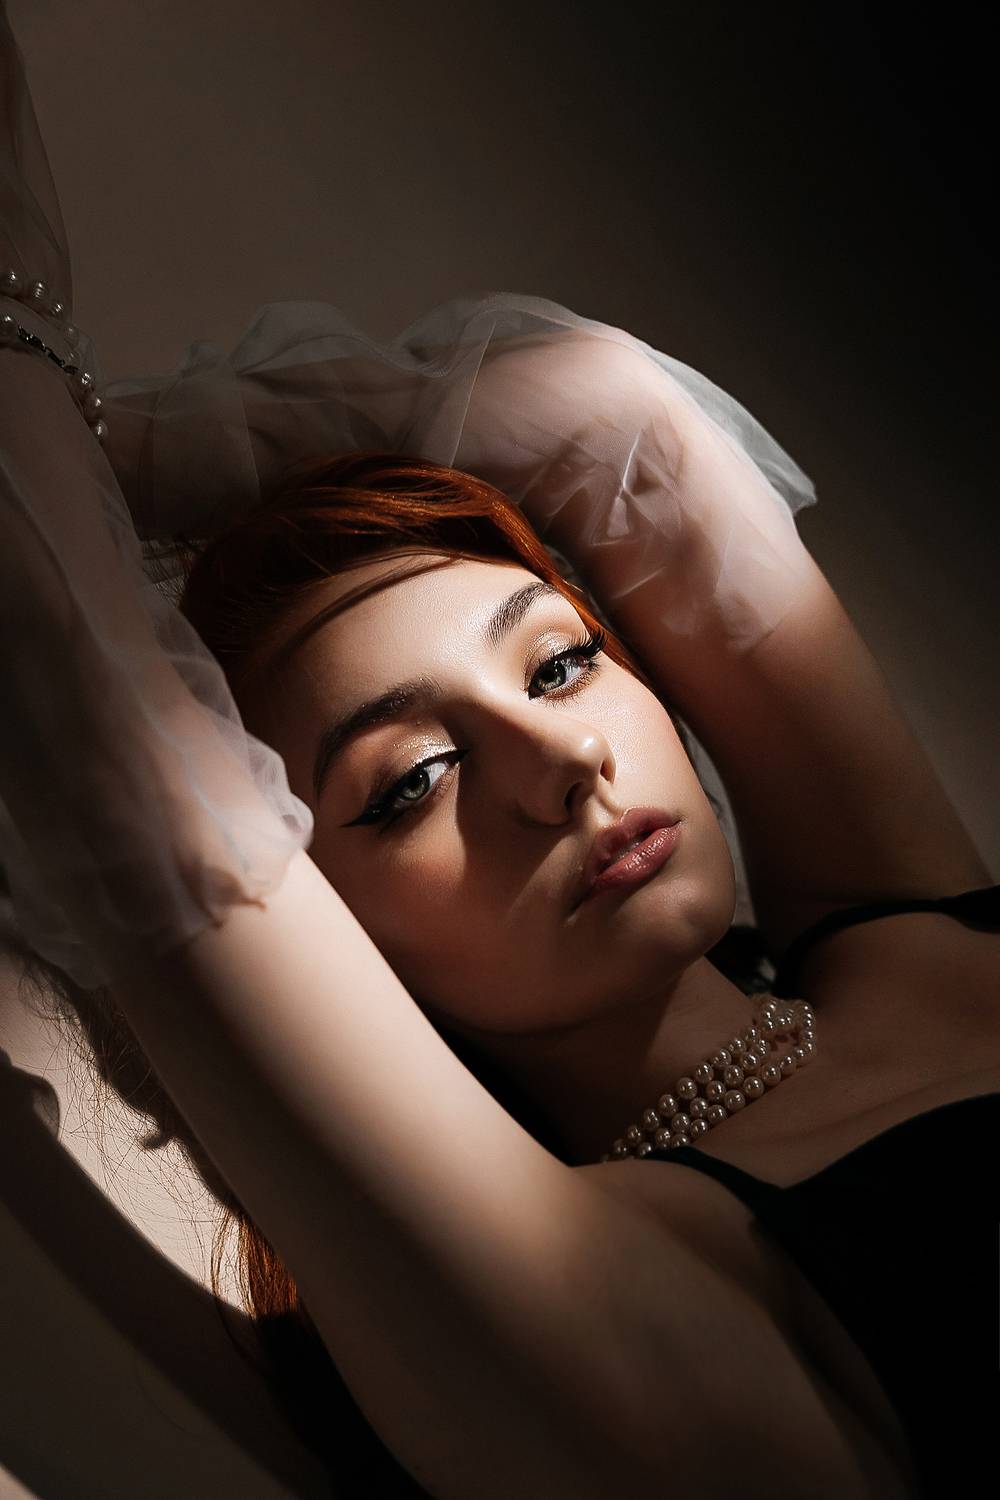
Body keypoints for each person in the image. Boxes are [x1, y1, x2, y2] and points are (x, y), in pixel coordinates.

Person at [1, 5, 996, 1496]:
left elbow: (617, 428)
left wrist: (112, 448)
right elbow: (91, 719)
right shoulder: (623, 1312)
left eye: (563, 662)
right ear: (331, 935)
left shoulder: (915, 940)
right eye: (413, 782)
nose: (562, 762)